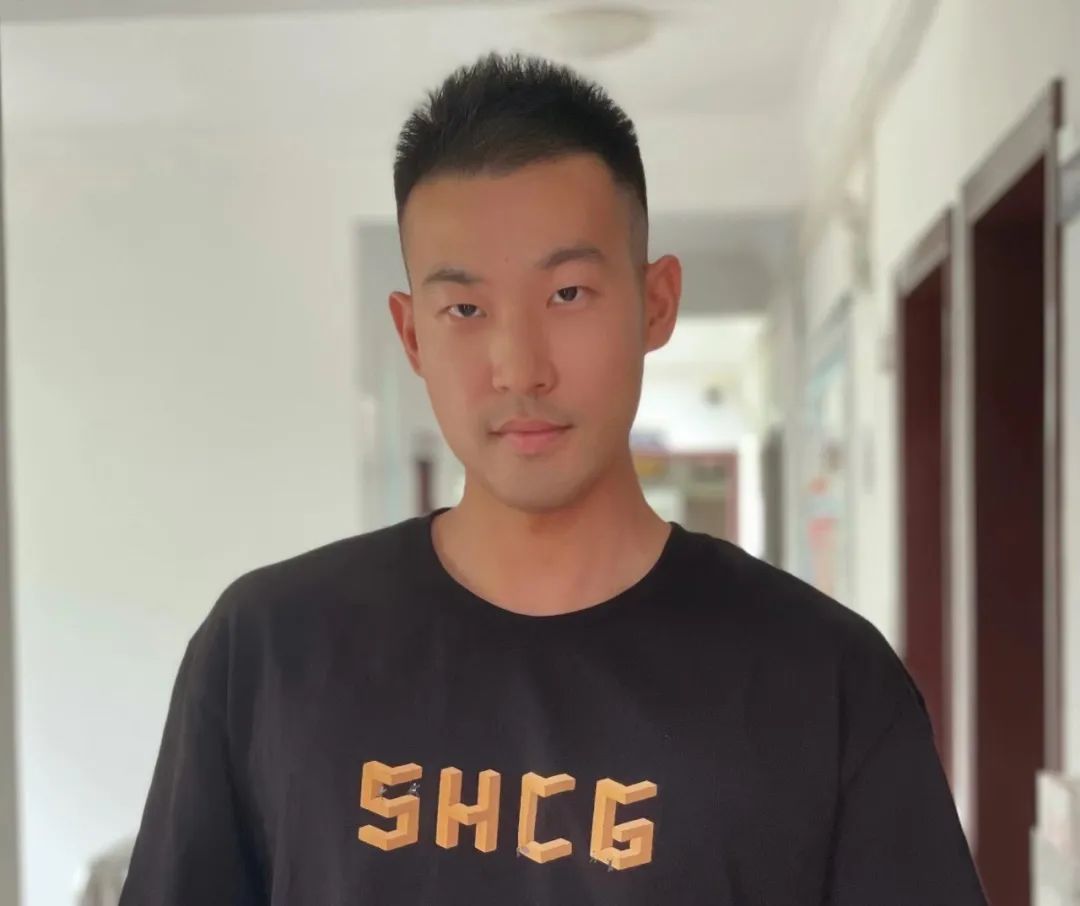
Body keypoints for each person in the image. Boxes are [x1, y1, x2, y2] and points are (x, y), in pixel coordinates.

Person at [119, 53, 987, 906]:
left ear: (655, 303)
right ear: (413, 334)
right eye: (465, 309)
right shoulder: (266, 654)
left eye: (568, 294)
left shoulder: (825, 685)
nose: (519, 367)